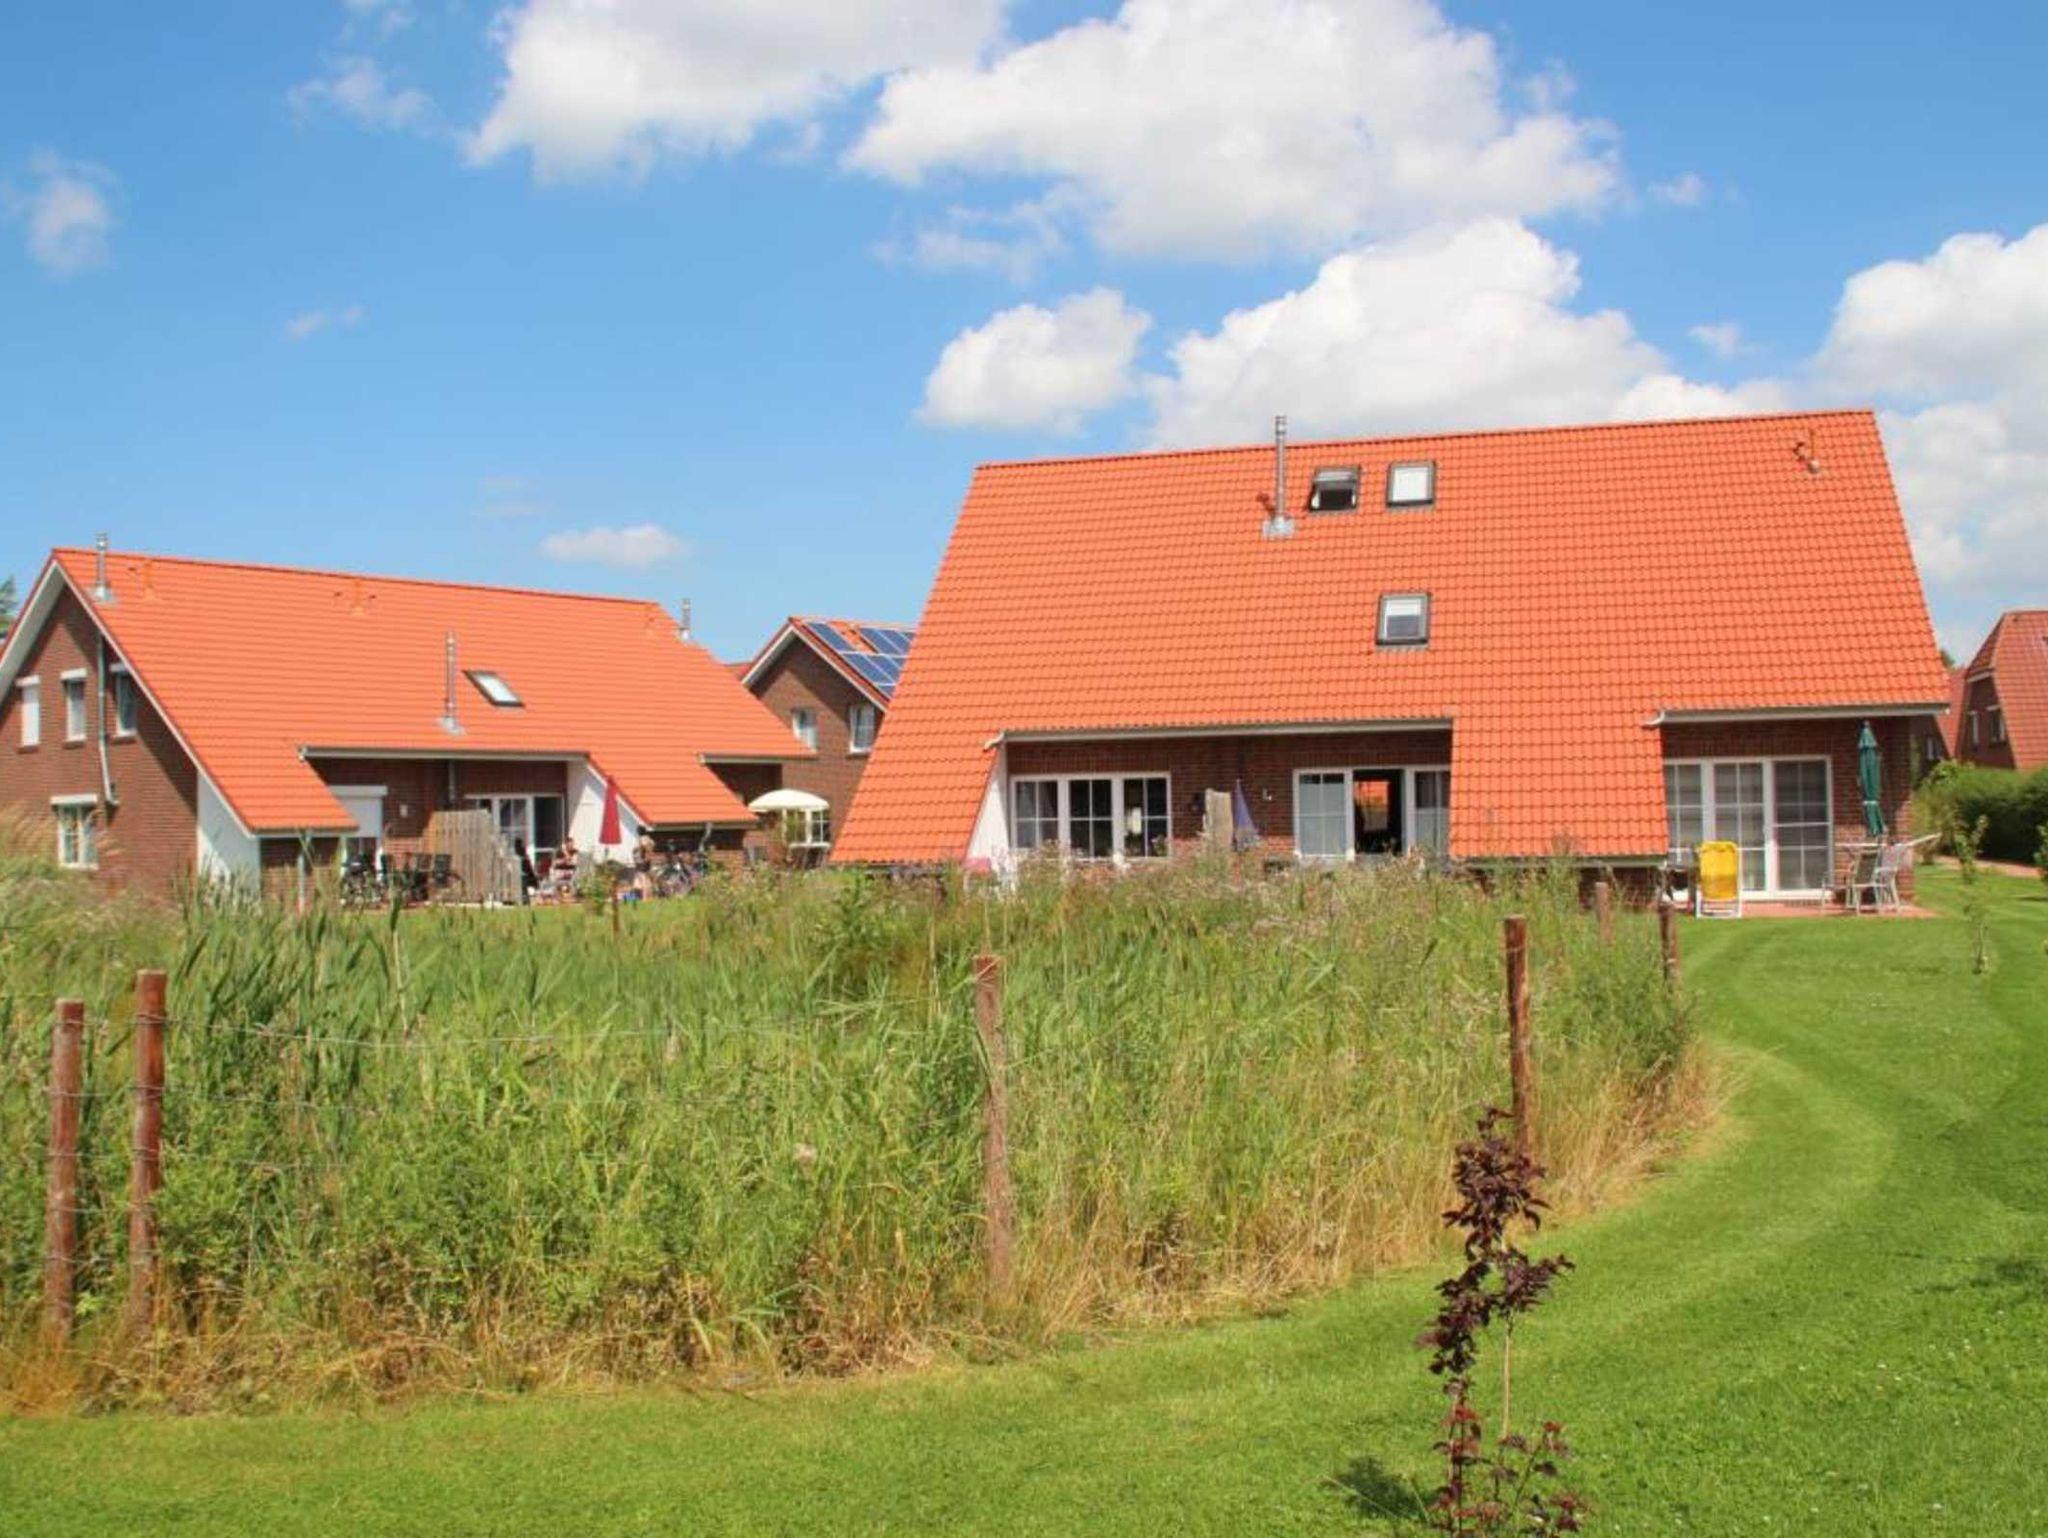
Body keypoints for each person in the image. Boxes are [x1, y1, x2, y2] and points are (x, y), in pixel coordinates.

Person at [513, 837, 538, 904]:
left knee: (522, 889)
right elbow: (527, 865)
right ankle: (526, 901)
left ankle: (523, 901)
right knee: (524, 889)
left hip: (518, 874)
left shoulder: (516, 853)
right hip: (525, 874)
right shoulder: (524, 854)